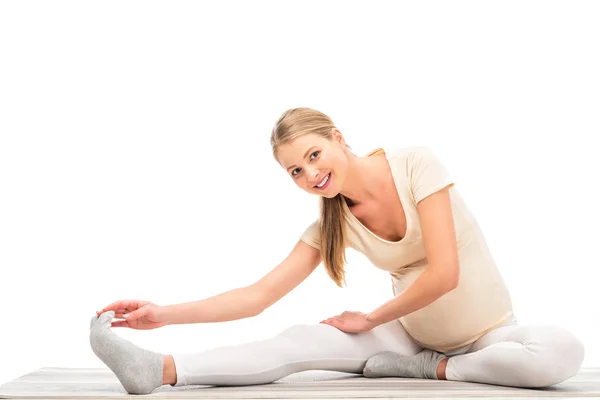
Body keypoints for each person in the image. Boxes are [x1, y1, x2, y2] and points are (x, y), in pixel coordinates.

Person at [90, 107, 584, 395]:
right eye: (295, 172)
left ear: (337, 138)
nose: (310, 175)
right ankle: (160, 371)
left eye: (312, 155)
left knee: (562, 352)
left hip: (489, 336)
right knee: (297, 341)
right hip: (406, 336)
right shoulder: (330, 224)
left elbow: (445, 274)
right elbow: (256, 296)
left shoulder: (416, 164)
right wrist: (163, 314)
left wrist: (369, 319)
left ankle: (428, 369)